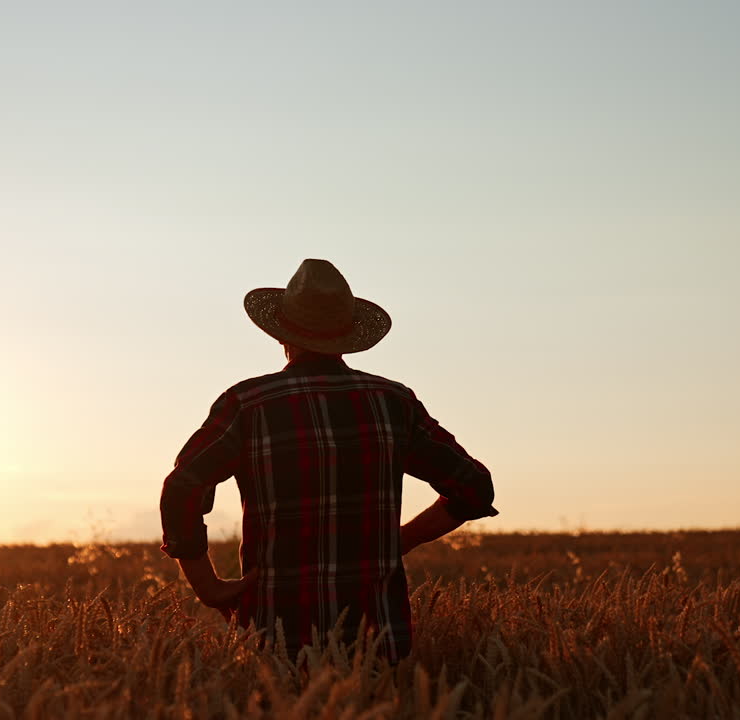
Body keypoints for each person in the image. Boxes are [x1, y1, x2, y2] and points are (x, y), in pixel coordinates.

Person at [159, 258, 497, 662]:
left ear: (283, 334)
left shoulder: (248, 404)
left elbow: (181, 489)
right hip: (379, 640)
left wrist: (208, 587)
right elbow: (474, 488)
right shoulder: (393, 402)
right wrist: (400, 541)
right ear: (347, 334)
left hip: (276, 642)